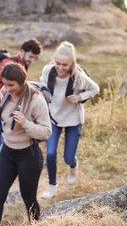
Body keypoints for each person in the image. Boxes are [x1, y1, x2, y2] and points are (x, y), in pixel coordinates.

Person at [0, 63, 51, 226]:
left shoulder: (36, 101)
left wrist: (26, 123)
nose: (7, 88)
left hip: (28, 155)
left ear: (22, 81)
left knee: (29, 199)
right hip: (8, 152)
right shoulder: (4, 93)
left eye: (11, 85)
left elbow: (46, 132)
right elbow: (8, 116)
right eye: (4, 84)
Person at [39, 41, 99, 200]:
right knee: (50, 153)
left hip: (73, 119)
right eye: (57, 63)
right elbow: (42, 87)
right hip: (53, 117)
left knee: (68, 158)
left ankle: (73, 165)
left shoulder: (79, 75)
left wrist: (80, 97)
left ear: (72, 63)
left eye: (64, 64)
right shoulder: (47, 71)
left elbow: (95, 89)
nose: (60, 67)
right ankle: (52, 187)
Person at [0, 38, 43, 183]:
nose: (32, 60)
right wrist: (8, 91)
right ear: (22, 51)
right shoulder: (8, 64)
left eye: (34, 58)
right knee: (5, 142)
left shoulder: (22, 64)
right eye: (31, 56)